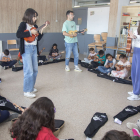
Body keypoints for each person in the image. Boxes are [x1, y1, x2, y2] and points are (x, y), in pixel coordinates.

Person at [16, 8, 48, 98]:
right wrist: (30, 32)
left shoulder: (36, 25)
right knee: (28, 71)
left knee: (35, 70)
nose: (35, 18)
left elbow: (38, 38)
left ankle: (31, 87)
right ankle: (27, 91)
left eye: (36, 17)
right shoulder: (23, 24)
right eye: (34, 16)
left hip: (34, 49)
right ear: (29, 16)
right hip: (26, 49)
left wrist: (41, 30)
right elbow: (18, 34)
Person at [127, 26, 140, 101]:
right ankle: (135, 90)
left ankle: (136, 94)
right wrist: (131, 47)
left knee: (138, 73)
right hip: (136, 50)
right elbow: (133, 38)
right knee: (134, 72)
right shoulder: (137, 29)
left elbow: (135, 37)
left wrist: (134, 36)